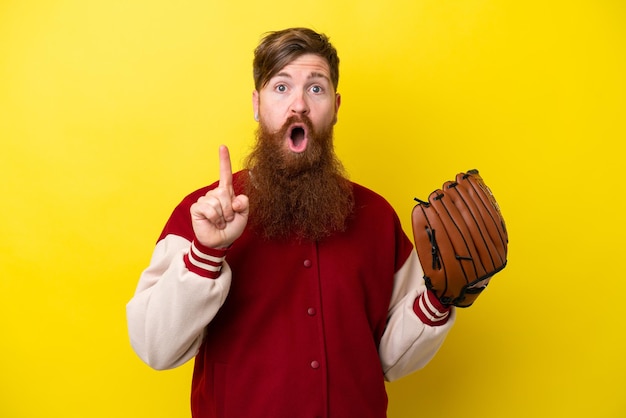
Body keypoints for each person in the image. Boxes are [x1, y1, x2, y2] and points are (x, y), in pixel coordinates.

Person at [127, 27, 455, 418]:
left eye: (315, 89)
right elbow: (154, 347)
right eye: (281, 88)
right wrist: (206, 253)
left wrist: (440, 297)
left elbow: (389, 360)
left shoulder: (378, 217)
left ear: (335, 106)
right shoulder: (201, 215)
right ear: (256, 104)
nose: (298, 104)